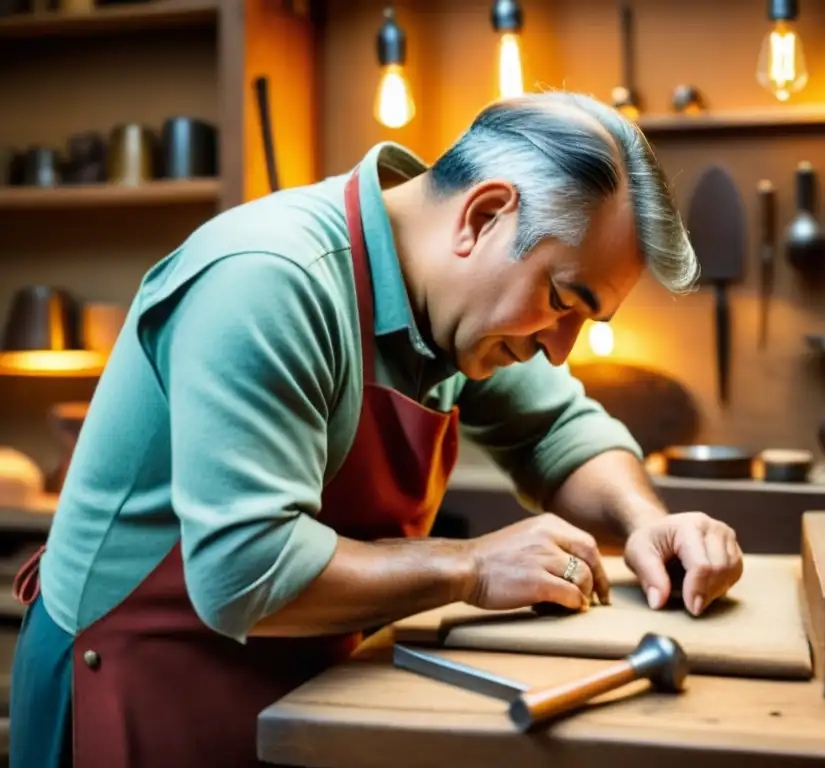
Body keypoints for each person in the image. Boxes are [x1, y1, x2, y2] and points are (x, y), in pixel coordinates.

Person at [9, 91, 743, 767]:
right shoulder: (271, 280)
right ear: (485, 217)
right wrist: (473, 566)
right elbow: (244, 571)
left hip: (299, 672)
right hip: (136, 678)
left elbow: (561, 430)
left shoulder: (454, 305)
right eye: (562, 301)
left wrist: (648, 521)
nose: (560, 348)